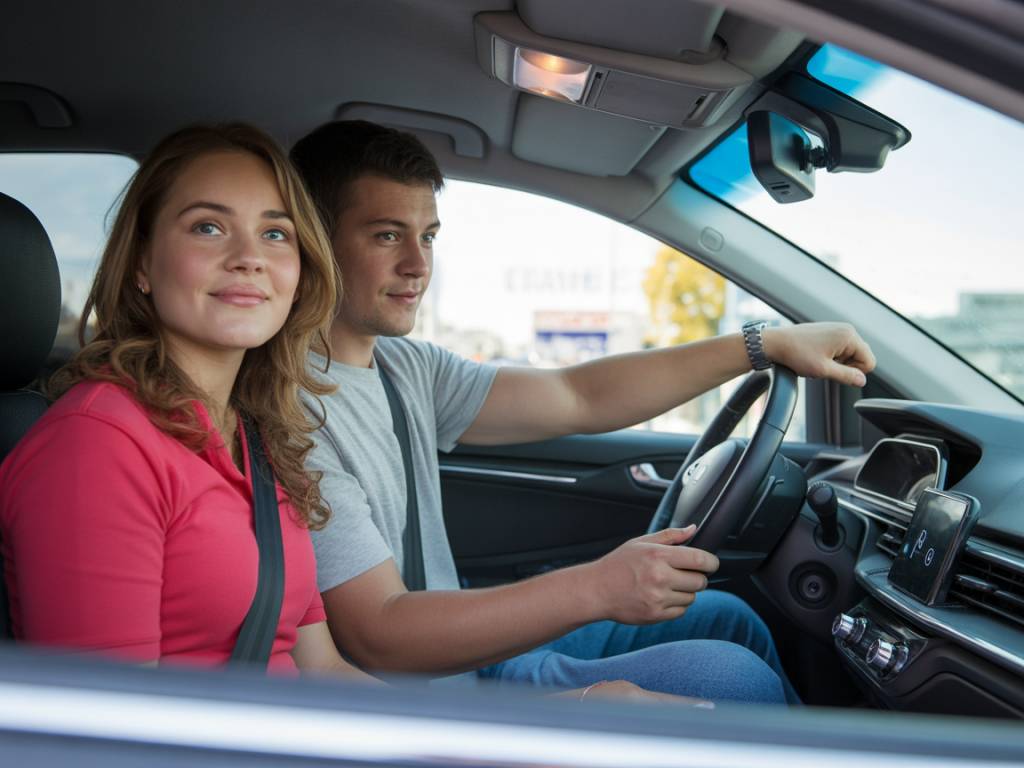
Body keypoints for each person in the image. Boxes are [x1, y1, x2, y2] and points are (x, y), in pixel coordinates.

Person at [289, 120, 876, 704]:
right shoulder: (293, 415)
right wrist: (598, 587)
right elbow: (380, 636)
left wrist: (763, 345)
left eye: (428, 237)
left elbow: (580, 395)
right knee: (733, 678)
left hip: (466, 657)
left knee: (729, 618)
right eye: (387, 236)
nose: (418, 265)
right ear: (315, 240)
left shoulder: (404, 367)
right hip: (424, 696)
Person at [0, 123, 372, 680]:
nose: (249, 257)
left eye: (275, 233)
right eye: (208, 227)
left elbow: (321, 668)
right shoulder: (96, 444)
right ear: (141, 264)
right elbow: (110, 719)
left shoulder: (256, 436)